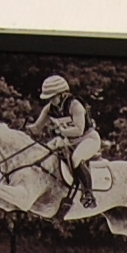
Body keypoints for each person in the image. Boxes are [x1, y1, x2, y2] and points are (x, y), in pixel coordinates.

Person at [27, 73, 105, 222]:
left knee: (76, 159)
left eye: (53, 97)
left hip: (87, 139)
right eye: (49, 98)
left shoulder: (75, 106)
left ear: (63, 94)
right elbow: (37, 128)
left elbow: (79, 130)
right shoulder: (50, 109)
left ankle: (88, 193)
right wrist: (24, 129)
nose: (51, 101)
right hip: (68, 141)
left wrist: (59, 131)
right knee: (46, 153)